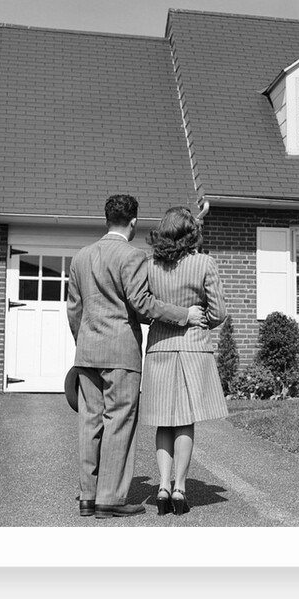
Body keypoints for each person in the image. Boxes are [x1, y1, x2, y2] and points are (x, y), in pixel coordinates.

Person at [66, 195, 207, 519]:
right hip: (121, 354)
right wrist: (184, 314)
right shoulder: (132, 256)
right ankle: (111, 500)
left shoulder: (81, 257)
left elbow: (74, 309)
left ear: (107, 219)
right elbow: (143, 305)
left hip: (86, 352)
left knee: (89, 423)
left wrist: (83, 341)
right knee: (119, 423)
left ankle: (88, 497)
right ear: (132, 223)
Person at [140, 206, 229, 515]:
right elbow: (218, 313)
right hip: (193, 349)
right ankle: (180, 488)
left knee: (164, 420)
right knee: (184, 421)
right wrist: (199, 320)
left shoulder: (149, 265)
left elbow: (142, 308)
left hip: (160, 347)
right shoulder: (205, 263)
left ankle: (162, 487)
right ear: (191, 233)